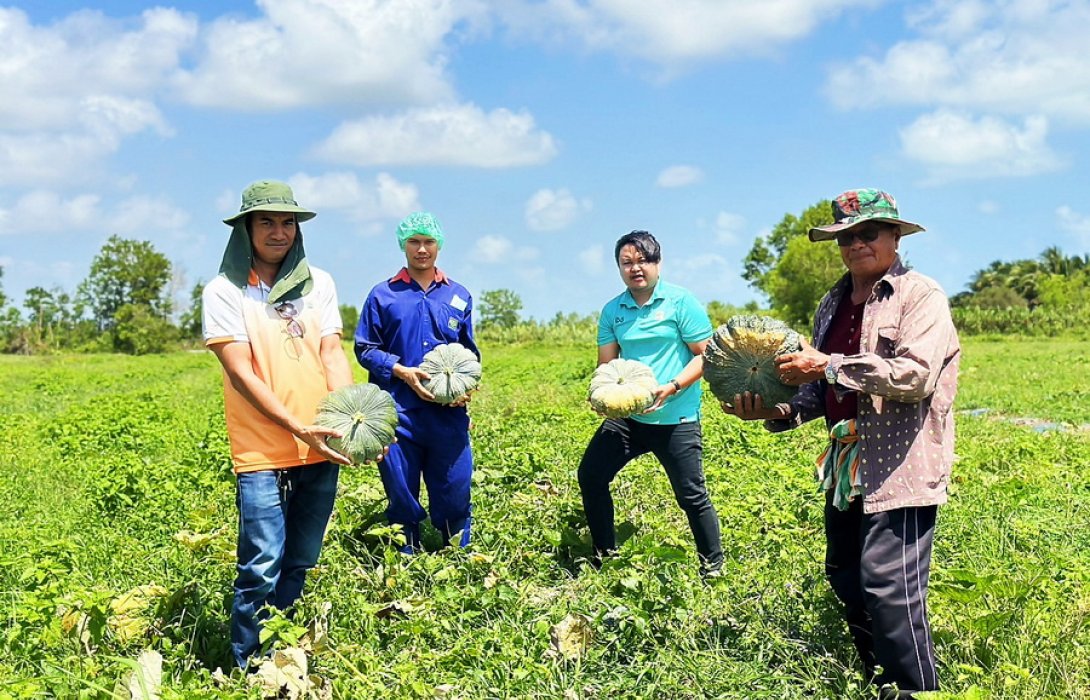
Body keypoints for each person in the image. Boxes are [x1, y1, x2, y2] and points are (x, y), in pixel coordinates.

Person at [722, 189, 960, 698]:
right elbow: (814, 391)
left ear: (895, 237)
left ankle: (918, 692)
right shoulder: (833, 302)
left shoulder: (920, 296)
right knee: (847, 576)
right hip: (846, 463)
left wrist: (827, 364)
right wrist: (775, 409)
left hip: (901, 464)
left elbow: (915, 376)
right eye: (846, 237)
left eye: (868, 233)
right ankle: (881, 682)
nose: (857, 244)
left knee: (890, 590)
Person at [202, 180, 358, 669]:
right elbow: (241, 371)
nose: (278, 231)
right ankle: (246, 664)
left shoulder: (321, 285)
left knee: (301, 558)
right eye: (266, 221)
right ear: (246, 228)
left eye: (287, 222)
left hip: (321, 443)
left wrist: (354, 416)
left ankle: (282, 653)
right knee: (261, 563)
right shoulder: (226, 290)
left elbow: (332, 353)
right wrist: (296, 425)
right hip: (262, 449)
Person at [578, 230, 724, 578]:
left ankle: (712, 568)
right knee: (591, 475)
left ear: (657, 263)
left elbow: (707, 356)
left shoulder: (680, 302)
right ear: (619, 268)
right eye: (626, 262)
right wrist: (602, 397)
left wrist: (672, 387)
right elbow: (606, 366)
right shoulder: (614, 311)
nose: (635, 268)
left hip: (677, 417)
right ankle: (605, 556)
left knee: (691, 497)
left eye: (643, 260)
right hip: (629, 419)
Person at [354, 211, 478, 553]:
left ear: (439, 246)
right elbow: (365, 348)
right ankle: (406, 559)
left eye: (428, 242)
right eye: (414, 242)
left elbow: (468, 354)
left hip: (446, 414)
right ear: (403, 246)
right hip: (397, 412)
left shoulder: (459, 295)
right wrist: (401, 371)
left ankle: (458, 557)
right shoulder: (383, 295)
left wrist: (465, 390)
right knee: (400, 492)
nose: (421, 249)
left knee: (455, 488)